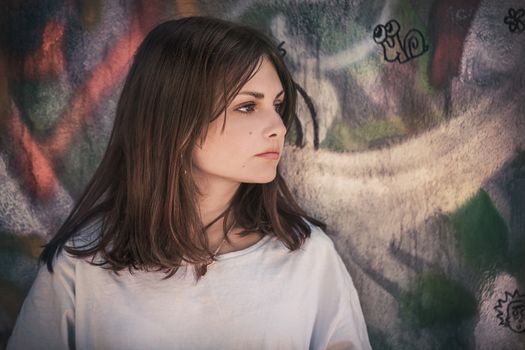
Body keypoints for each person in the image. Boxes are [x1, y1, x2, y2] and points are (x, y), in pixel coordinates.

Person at [6, 16, 372, 350]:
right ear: (176, 120)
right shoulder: (81, 267)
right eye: (247, 106)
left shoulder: (307, 256)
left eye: (277, 105)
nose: (278, 127)